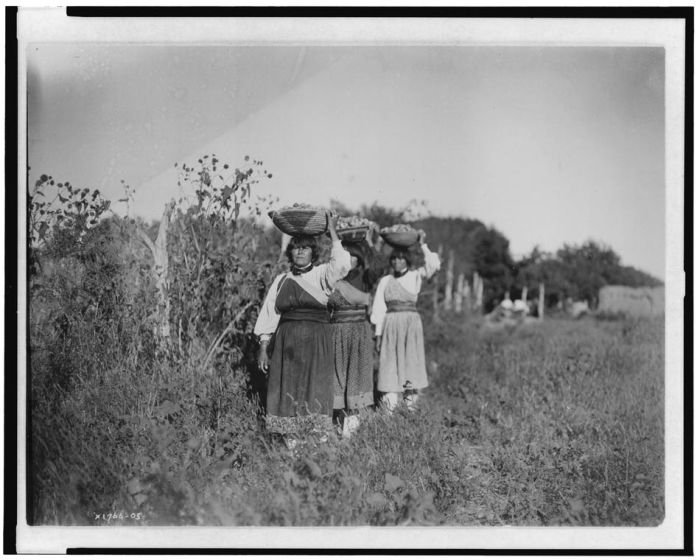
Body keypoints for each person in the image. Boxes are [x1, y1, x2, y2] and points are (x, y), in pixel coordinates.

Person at [254, 212, 350, 448]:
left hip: (317, 345)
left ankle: (318, 452)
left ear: (313, 252)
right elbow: (269, 315)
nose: (300, 252)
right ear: (290, 252)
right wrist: (264, 348)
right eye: (296, 248)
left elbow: (342, 264)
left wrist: (332, 231)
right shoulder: (281, 280)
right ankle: (292, 451)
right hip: (287, 348)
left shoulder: (322, 275)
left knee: (315, 391)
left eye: (305, 248)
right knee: (289, 394)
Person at [370, 231, 440, 412]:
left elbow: (434, 264)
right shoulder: (385, 281)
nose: (397, 262)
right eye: (394, 259)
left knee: (411, 364)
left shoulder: (415, 276)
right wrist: (378, 334)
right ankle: (389, 411)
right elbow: (379, 308)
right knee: (389, 365)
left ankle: (410, 410)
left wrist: (422, 245)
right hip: (390, 326)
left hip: (411, 326)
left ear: (407, 261)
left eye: (401, 259)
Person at [327, 242, 376, 438]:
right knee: (337, 376)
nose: (349, 260)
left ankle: (351, 431)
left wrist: (370, 242)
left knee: (356, 375)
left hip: (358, 333)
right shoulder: (331, 279)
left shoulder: (365, 277)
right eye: (346, 256)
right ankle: (335, 425)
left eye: (353, 257)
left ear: (359, 260)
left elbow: (377, 266)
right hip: (336, 333)